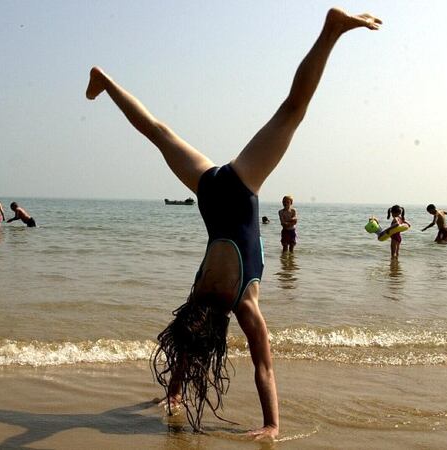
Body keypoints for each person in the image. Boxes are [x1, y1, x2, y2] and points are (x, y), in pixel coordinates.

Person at [85, 7, 381, 439]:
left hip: (241, 185)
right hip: (209, 187)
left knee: (293, 110)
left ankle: (331, 31)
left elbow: (264, 366)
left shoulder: (243, 304)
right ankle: (105, 80)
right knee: (156, 130)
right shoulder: (200, 295)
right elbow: (186, 340)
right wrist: (174, 392)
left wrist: (272, 425)